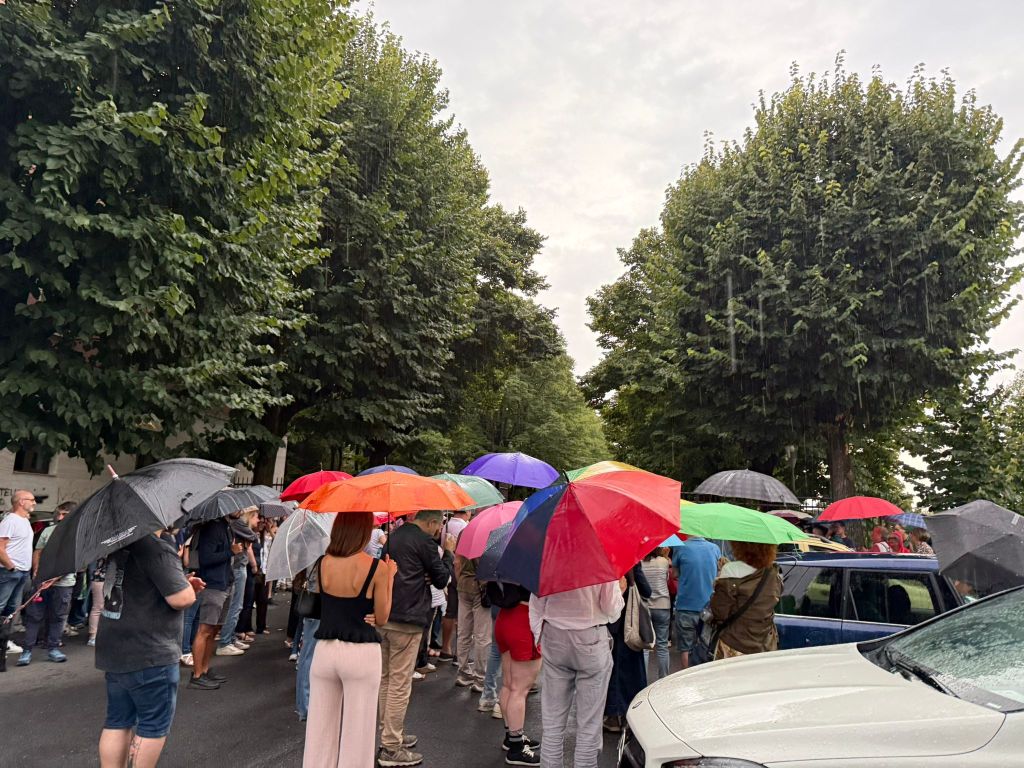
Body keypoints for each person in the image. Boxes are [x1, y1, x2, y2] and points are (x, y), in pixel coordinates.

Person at [96, 531, 205, 768]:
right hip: (150, 649)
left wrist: (179, 581)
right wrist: (187, 587)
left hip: (116, 646)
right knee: (152, 725)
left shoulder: (119, 543)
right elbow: (181, 599)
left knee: (117, 720)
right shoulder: (156, 547)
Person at [302, 512, 397, 768]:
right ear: (364, 532)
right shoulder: (378, 568)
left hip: (325, 650)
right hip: (361, 652)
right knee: (359, 731)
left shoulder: (322, 563)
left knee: (319, 729)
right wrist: (389, 578)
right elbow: (382, 616)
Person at [377, 510, 454, 768]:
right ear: (432, 522)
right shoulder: (426, 543)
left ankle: (388, 733)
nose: (438, 530)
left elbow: (384, 567)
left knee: (387, 679)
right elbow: (442, 578)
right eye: (438, 525)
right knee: (399, 683)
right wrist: (450, 553)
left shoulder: (395, 535)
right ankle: (390, 746)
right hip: (408, 619)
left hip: (386, 613)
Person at [530, 579, 624, 768]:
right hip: (590, 636)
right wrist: (620, 591)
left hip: (554, 634)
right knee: (589, 724)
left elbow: (536, 602)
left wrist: (538, 635)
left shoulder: (547, 557)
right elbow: (611, 610)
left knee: (552, 721)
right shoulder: (600, 560)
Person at [488, 581, 540, 766]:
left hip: (505, 618)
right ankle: (516, 749)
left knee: (509, 684)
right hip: (524, 620)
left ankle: (512, 737)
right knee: (520, 689)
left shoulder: (507, 558)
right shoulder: (534, 559)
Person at [20, 501, 77, 665]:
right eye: (58, 513)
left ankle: (53, 647)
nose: (59, 517)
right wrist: (37, 571)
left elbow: (71, 560)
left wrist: (55, 578)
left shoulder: (75, 534)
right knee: (34, 616)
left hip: (63, 584)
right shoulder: (48, 530)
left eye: (64, 514)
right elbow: (38, 551)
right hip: (42, 582)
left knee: (58, 617)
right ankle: (27, 650)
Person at [189, 516, 241, 690]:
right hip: (213, 585)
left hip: (224, 583)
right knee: (205, 630)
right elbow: (206, 558)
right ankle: (197, 675)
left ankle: (204, 669)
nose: (240, 510)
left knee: (213, 630)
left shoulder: (226, 527)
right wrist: (231, 551)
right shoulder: (213, 528)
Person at [708, 541, 783, 659]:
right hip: (764, 643)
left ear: (740, 546)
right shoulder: (773, 571)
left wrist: (719, 584)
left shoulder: (731, 570)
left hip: (734, 642)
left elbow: (719, 612)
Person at [603, 564, 652, 734]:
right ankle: (626, 714)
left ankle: (610, 714)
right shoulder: (632, 561)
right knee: (630, 672)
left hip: (608, 626)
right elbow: (647, 590)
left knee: (610, 670)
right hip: (629, 627)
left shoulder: (603, 560)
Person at [670, 536, 721, 669]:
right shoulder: (715, 548)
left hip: (685, 605)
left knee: (686, 648)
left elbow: (674, 574)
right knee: (708, 646)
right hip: (709, 606)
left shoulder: (680, 547)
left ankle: (688, 681)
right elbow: (719, 572)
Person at [0, 490, 37, 672]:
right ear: (21, 502)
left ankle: (4, 643)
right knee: (1, 608)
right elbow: (0, 547)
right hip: (10, 573)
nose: (35, 502)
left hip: (22, 572)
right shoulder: (11, 520)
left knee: (10, 611)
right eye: (31, 500)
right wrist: (10, 567)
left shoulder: (25, 521)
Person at [216, 508, 257, 657]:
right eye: (256, 516)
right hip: (238, 566)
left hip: (239, 565)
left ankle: (230, 638)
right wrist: (249, 538)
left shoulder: (234, 523)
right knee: (235, 606)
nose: (258, 520)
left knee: (236, 605)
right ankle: (226, 641)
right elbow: (254, 537)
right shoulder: (238, 523)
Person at [454, 547, 491, 688]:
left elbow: (457, 563)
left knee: (463, 632)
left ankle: (463, 672)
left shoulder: (465, 533)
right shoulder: (492, 535)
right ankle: (480, 678)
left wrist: (459, 580)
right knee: (482, 635)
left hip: (463, 584)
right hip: (480, 587)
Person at [440, 509, 471, 661]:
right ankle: (460, 653)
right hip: (461, 571)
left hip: (447, 568)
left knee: (449, 611)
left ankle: (446, 647)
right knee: (464, 613)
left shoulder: (445, 525)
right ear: (468, 512)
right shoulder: (466, 528)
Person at [640, 548, 672, 680]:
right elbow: (667, 579)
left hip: (645, 606)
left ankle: (644, 680)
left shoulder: (641, 563)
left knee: (646, 647)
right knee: (662, 645)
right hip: (663, 605)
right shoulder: (664, 562)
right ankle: (663, 679)